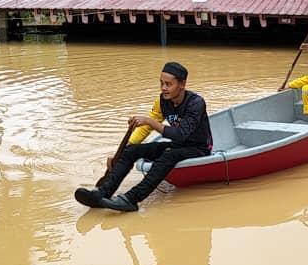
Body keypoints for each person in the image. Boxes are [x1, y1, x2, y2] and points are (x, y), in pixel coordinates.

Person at [74, 62, 212, 212]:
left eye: (168, 84)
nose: (163, 88)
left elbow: (180, 135)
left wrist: (150, 122)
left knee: (167, 156)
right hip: (178, 146)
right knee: (131, 151)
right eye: (161, 83)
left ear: (182, 84)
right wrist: (119, 153)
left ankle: (131, 199)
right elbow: (146, 128)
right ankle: (102, 194)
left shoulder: (196, 103)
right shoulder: (162, 101)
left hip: (199, 148)